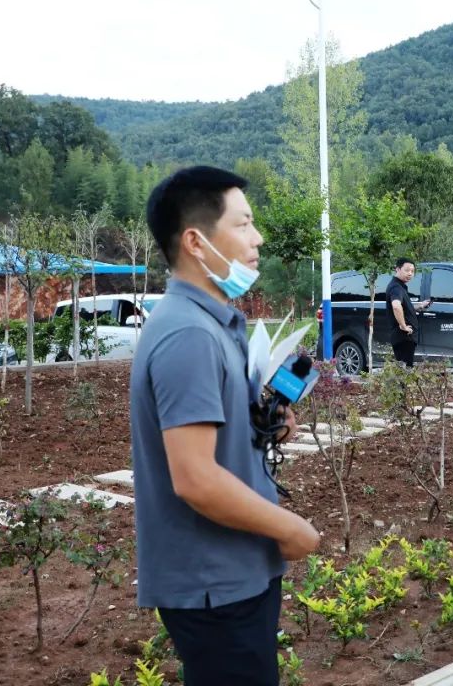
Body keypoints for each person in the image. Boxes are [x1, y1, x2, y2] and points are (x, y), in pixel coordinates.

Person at [130, 165, 320, 686]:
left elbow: (213, 444)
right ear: (196, 241)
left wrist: (260, 427)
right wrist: (291, 528)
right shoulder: (188, 334)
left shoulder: (212, 324)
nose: (257, 239)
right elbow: (194, 478)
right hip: (215, 581)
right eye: (243, 224)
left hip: (234, 572)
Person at [385, 257, 430, 367]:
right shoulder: (396, 287)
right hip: (403, 337)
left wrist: (418, 306)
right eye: (407, 270)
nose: (410, 273)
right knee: (405, 370)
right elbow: (396, 306)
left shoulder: (400, 286)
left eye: (412, 271)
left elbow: (403, 307)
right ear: (398, 269)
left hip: (405, 337)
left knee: (404, 369)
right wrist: (403, 325)